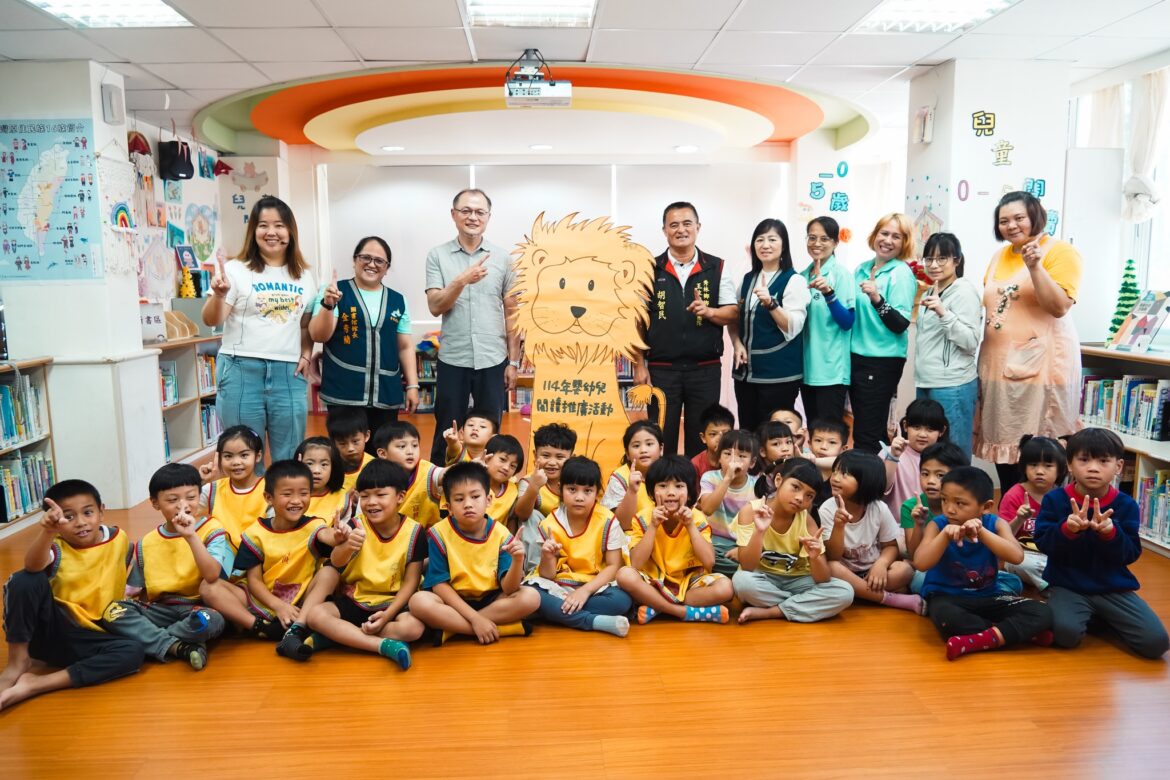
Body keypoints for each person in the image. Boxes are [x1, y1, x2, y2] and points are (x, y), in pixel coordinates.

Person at [0, 481, 144, 711]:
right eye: (68, 517)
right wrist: (48, 532)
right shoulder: (55, 547)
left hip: (93, 635)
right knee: (24, 579)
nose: (80, 522)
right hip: (53, 629)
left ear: (101, 511)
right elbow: (33, 565)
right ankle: (18, 662)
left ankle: (36, 684)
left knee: (133, 652)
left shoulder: (119, 539)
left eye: (88, 512)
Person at [977, 191, 1082, 488]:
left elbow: (1059, 307)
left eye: (1019, 218)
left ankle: (1041, 515)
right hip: (997, 367)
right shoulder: (999, 256)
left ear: (1036, 216)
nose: (1011, 225)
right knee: (1003, 444)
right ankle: (1012, 511)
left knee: (1039, 453)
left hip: (1041, 368)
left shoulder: (1059, 251)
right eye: (1004, 221)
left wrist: (1035, 267)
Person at [1034, 428, 1169, 659]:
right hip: (1068, 585)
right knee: (1065, 635)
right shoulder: (1054, 500)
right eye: (1084, 460)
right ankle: (1093, 616)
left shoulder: (1126, 505)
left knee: (1156, 643)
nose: (1093, 468)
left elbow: (1130, 554)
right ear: (1069, 464)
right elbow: (1043, 543)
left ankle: (1100, 617)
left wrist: (1111, 534)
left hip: (1112, 587)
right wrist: (1067, 530)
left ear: (1118, 466)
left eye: (1103, 461)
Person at [203, 196, 316, 463]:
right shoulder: (235, 270)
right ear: (253, 231)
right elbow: (211, 319)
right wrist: (219, 295)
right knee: (243, 456)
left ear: (290, 231)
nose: (271, 232)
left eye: (279, 225)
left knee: (290, 457)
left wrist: (306, 354)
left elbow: (305, 325)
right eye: (263, 225)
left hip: (288, 373)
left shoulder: (304, 275)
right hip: (241, 369)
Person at [913, 467, 1053, 661]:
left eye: (959, 503)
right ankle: (1011, 632)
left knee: (1043, 611)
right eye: (945, 500)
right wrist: (944, 536)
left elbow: (1016, 557)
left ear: (985, 507)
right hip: (948, 597)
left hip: (989, 596)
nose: (949, 509)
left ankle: (976, 640)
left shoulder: (995, 524)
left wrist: (981, 532)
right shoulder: (938, 525)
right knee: (948, 619)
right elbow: (920, 563)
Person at [424, 189, 521, 465]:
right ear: (453, 215)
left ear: (488, 217)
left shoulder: (503, 258)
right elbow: (435, 306)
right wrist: (461, 280)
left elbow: (512, 314)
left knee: (491, 430)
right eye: (466, 211)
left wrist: (514, 362)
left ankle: (488, 485)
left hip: (493, 358)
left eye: (479, 212)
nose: (473, 217)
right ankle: (440, 484)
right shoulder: (437, 255)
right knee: (447, 428)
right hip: (453, 358)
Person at [633, 202, 737, 457]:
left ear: (698, 227)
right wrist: (639, 366)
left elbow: (732, 312)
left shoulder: (717, 267)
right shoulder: (648, 269)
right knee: (660, 435)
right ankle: (663, 481)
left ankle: (700, 482)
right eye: (674, 225)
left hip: (705, 369)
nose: (681, 230)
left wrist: (709, 312)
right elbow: (637, 321)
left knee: (702, 438)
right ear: (664, 230)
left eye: (687, 223)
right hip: (661, 370)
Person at [103, 464, 229, 671]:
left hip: (198, 607)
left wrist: (190, 536)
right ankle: (181, 646)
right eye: (172, 500)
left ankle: (153, 641)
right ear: (155, 503)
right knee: (113, 612)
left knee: (210, 620)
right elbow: (136, 591)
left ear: (200, 495)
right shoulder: (147, 542)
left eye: (191, 497)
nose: (183, 506)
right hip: (160, 609)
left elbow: (212, 575)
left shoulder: (212, 529)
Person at [306, 460, 424, 669]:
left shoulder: (415, 531)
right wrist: (346, 546)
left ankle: (341, 636)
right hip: (355, 599)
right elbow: (335, 563)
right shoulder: (355, 525)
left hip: (392, 602)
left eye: (380, 495)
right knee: (315, 615)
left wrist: (388, 615)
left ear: (400, 497)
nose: (371, 502)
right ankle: (383, 646)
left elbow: (411, 582)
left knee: (413, 628)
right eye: (365, 495)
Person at [409, 463, 541, 644]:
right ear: (448, 507)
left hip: (491, 600)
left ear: (488, 500)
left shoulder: (501, 535)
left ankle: (453, 630)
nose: (468, 504)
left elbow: (509, 589)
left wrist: (518, 560)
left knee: (531, 597)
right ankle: (499, 629)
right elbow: (439, 586)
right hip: (453, 602)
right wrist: (475, 619)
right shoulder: (438, 533)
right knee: (418, 602)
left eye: (475, 496)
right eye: (459, 499)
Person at [310, 236, 419, 443]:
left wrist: (413, 386)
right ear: (355, 260)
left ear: (387, 268)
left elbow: (405, 347)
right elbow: (319, 335)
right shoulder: (334, 292)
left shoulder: (398, 300)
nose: (372, 264)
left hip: (385, 394)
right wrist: (328, 304)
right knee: (347, 452)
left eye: (379, 261)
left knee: (382, 451)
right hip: (344, 393)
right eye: (365, 257)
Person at [732, 458, 854, 623]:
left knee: (845, 592)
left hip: (798, 580)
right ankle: (800, 605)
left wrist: (815, 557)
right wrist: (759, 532)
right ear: (778, 480)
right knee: (742, 582)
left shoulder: (807, 522)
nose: (800, 498)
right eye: (795, 487)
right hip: (762, 578)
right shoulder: (751, 512)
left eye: (809, 496)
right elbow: (747, 566)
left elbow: (823, 578)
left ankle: (773, 611)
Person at [231, 461, 349, 632]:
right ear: (268, 498)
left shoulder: (314, 525)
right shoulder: (255, 533)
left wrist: (339, 535)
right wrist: (279, 606)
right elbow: (254, 581)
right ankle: (260, 627)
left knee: (329, 573)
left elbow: (327, 535)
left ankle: (298, 626)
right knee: (210, 589)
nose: (296, 501)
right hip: (262, 599)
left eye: (304, 493)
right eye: (287, 494)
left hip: (302, 601)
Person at [617, 455, 733, 624]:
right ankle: (683, 612)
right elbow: (636, 563)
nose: (670, 492)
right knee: (624, 575)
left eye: (679, 486)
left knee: (726, 588)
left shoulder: (696, 517)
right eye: (663, 486)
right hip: (653, 580)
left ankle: (657, 607)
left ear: (690, 492)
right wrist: (653, 526)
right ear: (651, 491)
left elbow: (709, 561)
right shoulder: (643, 518)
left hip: (688, 581)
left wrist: (690, 526)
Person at [528, 457, 632, 637]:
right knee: (531, 593)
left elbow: (614, 566)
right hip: (560, 584)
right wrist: (547, 556)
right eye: (572, 489)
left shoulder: (608, 520)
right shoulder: (549, 523)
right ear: (560, 489)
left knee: (621, 601)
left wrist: (584, 591)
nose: (579, 497)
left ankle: (554, 612)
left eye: (588, 491)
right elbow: (547, 575)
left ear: (597, 493)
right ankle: (593, 621)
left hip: (595, 585)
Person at [730, 218, 810, 432]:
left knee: (774, 436)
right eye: (760, 239)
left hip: (779, 375)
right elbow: (735, 318)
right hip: (745, 374)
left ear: (784, 245)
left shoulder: (794, 280)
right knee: (748, 432)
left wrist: (771, 304)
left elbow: (793, 328)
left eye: (772, 239)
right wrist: (736, 343)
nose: (765, 245)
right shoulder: (748, 279)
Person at [849, 213, 918, 454]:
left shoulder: (901, 273)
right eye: (884, 233)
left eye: (896, 236)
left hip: (881, 361)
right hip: (856, 356)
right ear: (875, 235)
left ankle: (867, 478)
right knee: (870, 429)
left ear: (904, 242)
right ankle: (883, 475)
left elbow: (900, 323)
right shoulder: (861, 269)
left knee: (866, 434)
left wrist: (877, 298)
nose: (888, 240)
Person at [820, 451, 921, 613]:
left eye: (844, 474)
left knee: (905, 570)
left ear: (866, 482)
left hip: (872, 572)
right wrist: (839, 526)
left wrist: (881, 564)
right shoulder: (827, 509)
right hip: (844, 573)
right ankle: (888, 598)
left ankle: (861, 593)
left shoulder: (879, 508)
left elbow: (890, 546)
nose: (835, 478)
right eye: (835, 471)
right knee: (831, 568)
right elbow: (833, 557)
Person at [914, 234, 983, 458]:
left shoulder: (964, 291)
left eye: (942, 258)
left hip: (953, 385)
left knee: (954, 453)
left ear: (957, 260)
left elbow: (970, 341)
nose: (934, 265)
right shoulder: (930, 290)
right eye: (929, 259)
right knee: (928, 454)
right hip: (926, 381)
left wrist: (943, 312)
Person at [800, 216, 855, 425]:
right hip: (806, 370)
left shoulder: (841, 275)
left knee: (829, 433)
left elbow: (847, 321)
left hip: (831, 372)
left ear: (835, 243)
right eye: (812, 237)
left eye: (824, 239)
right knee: (814, 432)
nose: (817, 243)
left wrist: (829, 293)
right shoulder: (802, 276)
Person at [999, 435, 1067, 591]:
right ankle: (1050, 587)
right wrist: (1019, 519)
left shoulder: (1063, 496)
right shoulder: (1014, 495)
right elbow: (1003, 538)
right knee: (1019, 564)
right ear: (1024, 467)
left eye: (1048, 466)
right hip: (1024, 554)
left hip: (1052, 553)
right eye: (1033, 465)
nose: (1040, 471)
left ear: (1060, 469)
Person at [697, 429, 759, 577]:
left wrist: (742, 550)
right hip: (711, 544)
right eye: (727, 454)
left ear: (752, 462)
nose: (733, 461)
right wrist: (727, 479)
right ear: (719, 458)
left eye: (741, 456)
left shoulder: (758, 486)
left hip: (741, 546)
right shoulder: (709, 478)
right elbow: (707, 509)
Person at [200, 426, 266, 553]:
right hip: (222, 557)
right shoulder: (213, 489)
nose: (236, 462)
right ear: (219, 458)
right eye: (228, 456)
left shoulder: (270, 489)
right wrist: (201, 482)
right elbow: (183, 507)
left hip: (260, 556)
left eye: (244, 455)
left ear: (258, 456)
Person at [901, 441, 970, 561]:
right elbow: (914, 556)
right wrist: (918, 524)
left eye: (940, 475)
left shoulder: (966, 505)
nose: (930, 481)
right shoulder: (910, 507)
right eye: (925, 474)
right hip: (925, 564)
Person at [371, 421, 444, 529]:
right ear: (383, 453)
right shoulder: (374, 476)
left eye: (415, 445)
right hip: (390, 536)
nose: (410, 451)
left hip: (427, 537)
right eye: (402, 446)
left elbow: (445, 474)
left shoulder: (426, 470)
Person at [883, 399, 949, 516]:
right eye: (917, 427)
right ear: (905, 426)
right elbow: (881, 488)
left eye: (930, 429)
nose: (922, 434)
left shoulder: (948, 458)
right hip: (897, 524)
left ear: (942, 431)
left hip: (934, 523)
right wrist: (893, 456)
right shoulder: (889, 452)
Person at [602, 420, 664, 530]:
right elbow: (622, 525)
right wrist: (631, 491)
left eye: (649, 444)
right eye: (636, 446)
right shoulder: (619, 478)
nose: (643, 450)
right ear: (627, 453)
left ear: (661, 449)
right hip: (631, 536)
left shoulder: (670, 474)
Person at [294, 436, 351, 526]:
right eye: (309, 463)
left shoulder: (342, 499)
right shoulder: (287, 494)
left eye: (324, 464)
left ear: (333, 467)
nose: (316, 470)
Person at [326, 406, 373, 496]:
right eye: (342, 443)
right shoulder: (328, 466)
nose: (350, 448)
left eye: (355, 441)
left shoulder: (374, 466)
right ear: (333, 442)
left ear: (366, 436)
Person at [481, 434, 524, 526]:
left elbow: (511, 520)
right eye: (503, 459)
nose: (506, 468)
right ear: (487, 456)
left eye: (513, 466)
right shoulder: (470, 481)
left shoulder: (513, 491)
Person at [691, 403, 735, 483]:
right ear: (703, 438)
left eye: (725, 433)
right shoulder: (695, 465)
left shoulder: (738, 460)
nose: (720, 439)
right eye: (713, 434)